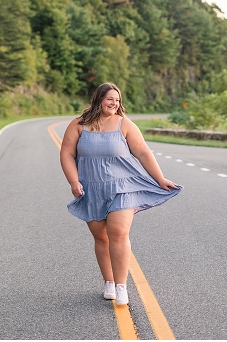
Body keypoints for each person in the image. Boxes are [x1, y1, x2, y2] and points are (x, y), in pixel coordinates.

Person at [60, 82, 182, 306]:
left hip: (122, 188)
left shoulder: (124, 124)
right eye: (110, 99)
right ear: (99, 100)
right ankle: (109, 282)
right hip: (91, 188)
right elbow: (66, 153)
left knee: (118, 232)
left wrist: (160, 178)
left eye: (117, 100)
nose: (114, 103)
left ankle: (121, 286)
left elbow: (143, 153)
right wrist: (73, 181)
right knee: (101, 237)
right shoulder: (79, 125)